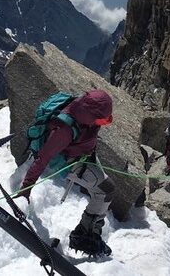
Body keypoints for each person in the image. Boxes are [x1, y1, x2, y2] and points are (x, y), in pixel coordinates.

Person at [18, 90, 116, 257]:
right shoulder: (64, 129)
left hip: (83, 155)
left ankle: (89, 233)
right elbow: (43, 158)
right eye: (101, 119)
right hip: (68, 163)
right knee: (105, 191)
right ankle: (84, 237)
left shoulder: (82, 109)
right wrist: (25, 189)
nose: (102, 123)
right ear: (91, 113)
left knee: (106, 190)